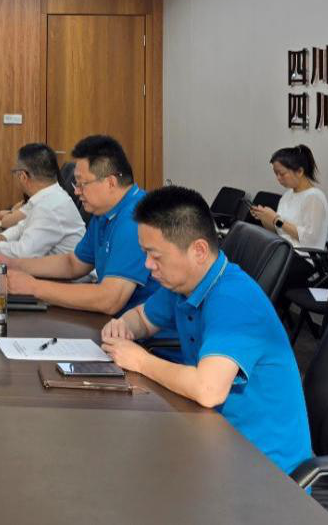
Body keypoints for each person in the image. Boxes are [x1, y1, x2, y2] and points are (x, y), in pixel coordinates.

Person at [100, 186, 313, 475]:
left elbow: (208, 390)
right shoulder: (183, 284)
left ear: (198, 251)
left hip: (265, 469)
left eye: (155, 255)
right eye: (145, 253)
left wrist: (140, 360)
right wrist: (122, 327)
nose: (148, 265)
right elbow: (143, 318)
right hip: (212, 437)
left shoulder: (234, 300)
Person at [0, 135, 159, 317]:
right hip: (114, 323)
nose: (77, 191)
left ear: (110, 182)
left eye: (82, 184)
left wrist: (34, 287)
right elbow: (73, 264)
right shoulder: (104, 213)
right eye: (76, 184)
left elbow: (110, 299)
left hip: (141, 331)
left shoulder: (135, 219)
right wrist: (14, 263)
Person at [0, 143, 85, 258]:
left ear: (23, 176)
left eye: (16, 173)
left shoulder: (50, 207)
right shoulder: (49, 195)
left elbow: (23, 253)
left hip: (63, 269)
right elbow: (23, 225)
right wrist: (3, 237)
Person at [249, 145, 328, 249]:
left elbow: (310, 240)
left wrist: (276, 220)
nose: (278, 178)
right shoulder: (287, 195)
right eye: (276, 174)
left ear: (299, 171)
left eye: (282, 174)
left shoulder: (314, 197)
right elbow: (279, 231)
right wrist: (265, 217)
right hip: (283, 248)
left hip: (302, 254)